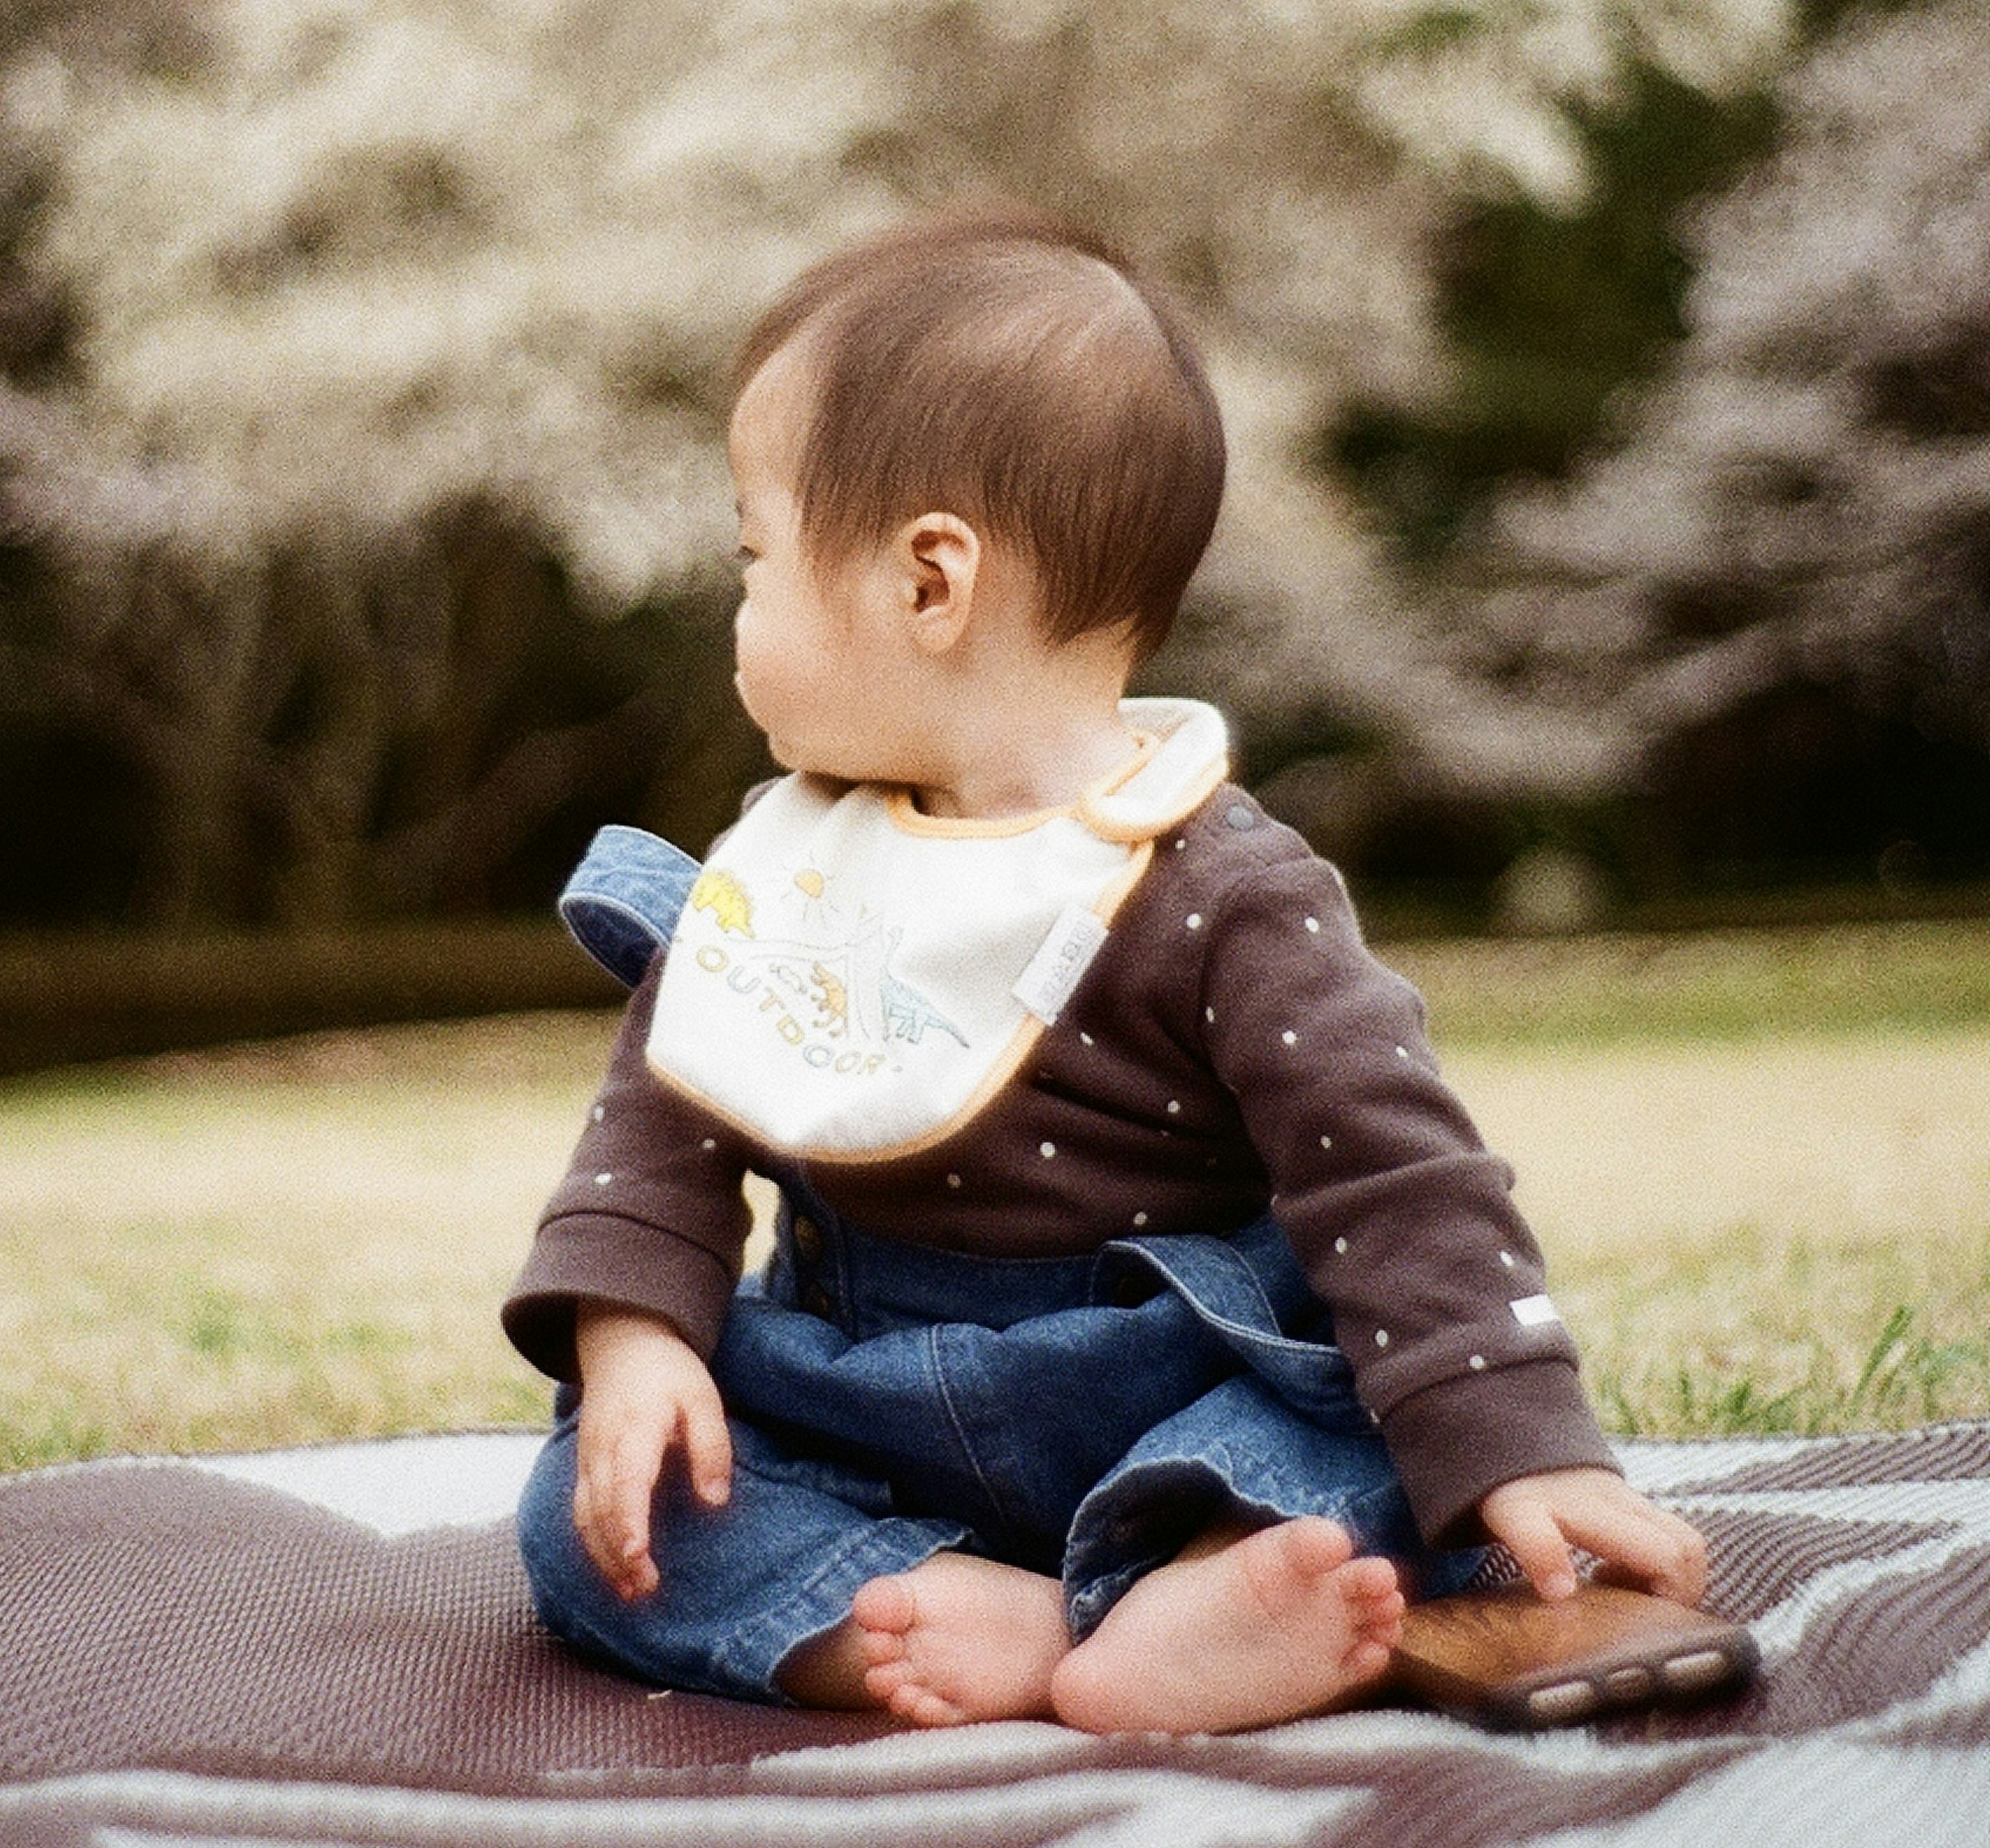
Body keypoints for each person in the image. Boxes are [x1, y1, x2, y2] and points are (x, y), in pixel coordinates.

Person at [505, 212, 1708, 1733]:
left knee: (1397, 1426)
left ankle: (1202, 1586)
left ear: (927, 583)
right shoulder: (786, 869)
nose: (736, 613)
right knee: (591, 1515)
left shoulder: (1226, 890)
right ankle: (971, 1613)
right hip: (850, 1394)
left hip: (1179, 1399)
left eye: (755, 558)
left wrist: (1525, 1448)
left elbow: (1396, 1186)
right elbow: (660, 1134)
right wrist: (634, 1349)